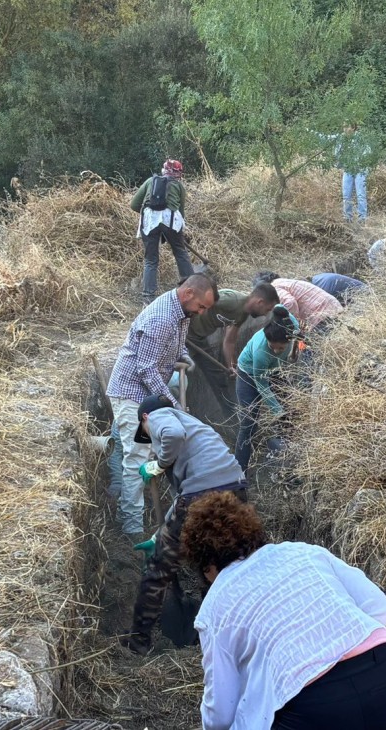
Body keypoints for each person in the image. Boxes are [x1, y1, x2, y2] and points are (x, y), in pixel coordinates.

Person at [182, 492, 386, 730]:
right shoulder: (303, 552)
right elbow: (378, 605)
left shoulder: (215, 606)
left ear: (206, 566)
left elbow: (221, 713)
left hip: (317, 712)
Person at [121, 395, 248, 656]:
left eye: (145, 431)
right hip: (235, 488)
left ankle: (139, 642)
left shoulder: (158, 417)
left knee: (159, 568)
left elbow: (173, 434)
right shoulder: (195, 424)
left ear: (144, 418)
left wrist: (160, 463)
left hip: (203, 495)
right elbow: (183, 500)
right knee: (221, 562)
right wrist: (160, 534)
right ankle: (222, 632)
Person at [106, 274, 218, 538]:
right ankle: (131, 524)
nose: (202, 313)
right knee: (137, 457)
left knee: (125, 447)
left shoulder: (182, 313)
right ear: (188, 293)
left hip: (146, 391)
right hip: (132, 393)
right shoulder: (162, 319)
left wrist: (186, 358)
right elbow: (146, 368)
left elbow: (175, 348)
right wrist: (174, 404)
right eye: (201, 306)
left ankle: (118, 494)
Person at [234, 305, 300, 473]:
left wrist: (294, 351)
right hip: (249, 374)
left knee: (290, 409)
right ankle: (239, 472)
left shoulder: (291, 327)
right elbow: (262, 385)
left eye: (281, 348)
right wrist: (277, 410)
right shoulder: (261, 352)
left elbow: (279, 308)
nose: (277, 350)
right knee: (249, 422)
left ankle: (286, 457)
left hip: (276, 370)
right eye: (273, 347)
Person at [130, 159, 193, 306]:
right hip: (171, 220)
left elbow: (133, 205)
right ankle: (192, 287)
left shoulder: (149, 182)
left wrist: (150, 213)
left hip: (149, 221)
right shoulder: (178, 186)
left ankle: (148, 297)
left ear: (163, 170)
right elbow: (181, 212)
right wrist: (176, 234)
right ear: (178, 173)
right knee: (180, 252)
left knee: (151, 259)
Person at [243, 278, 343, 334]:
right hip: (330, 309)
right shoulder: (281, 283)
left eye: (267, 310)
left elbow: (290, 302)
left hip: (323, 314)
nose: (267, 314)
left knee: (310, 355)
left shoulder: (275, 290)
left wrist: (293, 326)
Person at [333, 123, 375, 223]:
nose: (345, 129)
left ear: (353, 128)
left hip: (360, 169)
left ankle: (362, 219)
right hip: (348, 169)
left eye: (347, 126)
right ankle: (347, 218)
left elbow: (368, 152)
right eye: (343, 126)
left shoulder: (361, 138)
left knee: (360, 194)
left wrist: (359, 161)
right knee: (346, 195)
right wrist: (339, 163)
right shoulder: (341, 138)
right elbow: (337, 152)